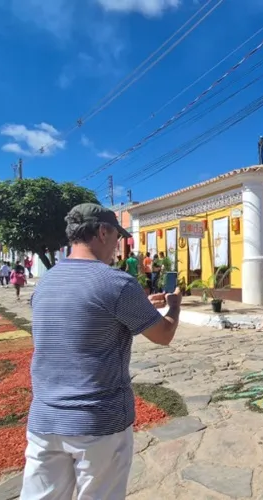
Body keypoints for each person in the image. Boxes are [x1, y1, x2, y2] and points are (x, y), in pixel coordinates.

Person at [20, 203, 181, 500]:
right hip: (98, 423)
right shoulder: (116, 283)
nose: (117, 248)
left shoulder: (46, 283)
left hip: (45, 420)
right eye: (117, 238)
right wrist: (174, 307)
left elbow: (84, 318)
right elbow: (163, 335)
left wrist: (143, 306)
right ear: (103, 231)